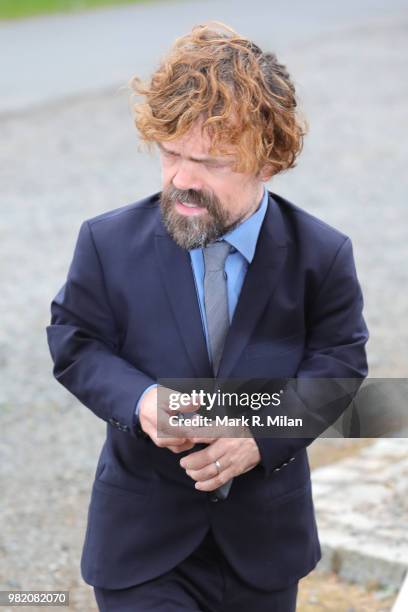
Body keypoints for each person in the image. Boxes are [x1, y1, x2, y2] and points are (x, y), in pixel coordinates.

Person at [46, 22, 369, 612]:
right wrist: (143, 401)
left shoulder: (322, 255)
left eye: (212, 162)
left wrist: (260, 434)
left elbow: (341, 365)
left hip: (265, 552)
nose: (183, 181)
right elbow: (75, 341)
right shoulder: (106, 242)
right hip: (140, 547)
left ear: (268, 161)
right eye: (171, 154)